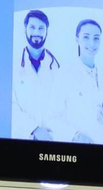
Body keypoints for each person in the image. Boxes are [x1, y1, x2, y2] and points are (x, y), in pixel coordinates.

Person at [58, 18, 103, 144]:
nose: (92, 43)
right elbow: (53, 116)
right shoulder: (65, 73)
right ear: (77, 39)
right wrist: (76, 136)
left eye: (96, 38)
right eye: (86, 37)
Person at [13, 9, 64, 140]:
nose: (37, 33)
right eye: (32, 27)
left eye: (41, 28)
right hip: (23, 137)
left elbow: (63, 105)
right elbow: (11, 105)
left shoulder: (57, 67)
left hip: (52, 138)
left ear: (47, 31)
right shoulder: (13, 64)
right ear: (25, 29)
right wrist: (34, 129)